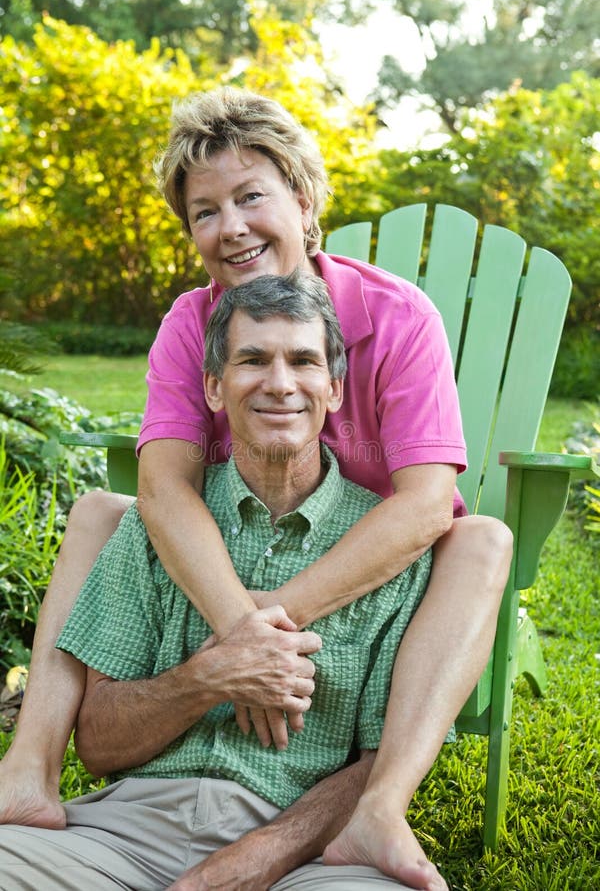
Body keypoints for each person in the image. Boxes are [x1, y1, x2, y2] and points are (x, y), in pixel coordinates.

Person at [0, 86, 513, 887]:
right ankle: (27, 767)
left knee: (482, 537)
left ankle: (379, 809)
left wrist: (264, 632)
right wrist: (236, 637)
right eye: (204, 212)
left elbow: (423, 504)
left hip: (375, 562)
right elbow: (163, 487)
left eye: (249, 197)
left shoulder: (396, 316)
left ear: (304, 202)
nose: (229, 227)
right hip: (233, 534)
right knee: (105, 510)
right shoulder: (191, 325)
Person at [0, 272, 443, 890]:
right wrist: (209, 677)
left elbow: (376, 764)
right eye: (253, 360)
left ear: (336, 388)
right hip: (120, 836)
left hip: (300, 854)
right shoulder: (158, 528)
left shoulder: (387, 552)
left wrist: (259, 855)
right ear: (214, 386)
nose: (281, 383)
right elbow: (98, 743)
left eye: (304, 362)